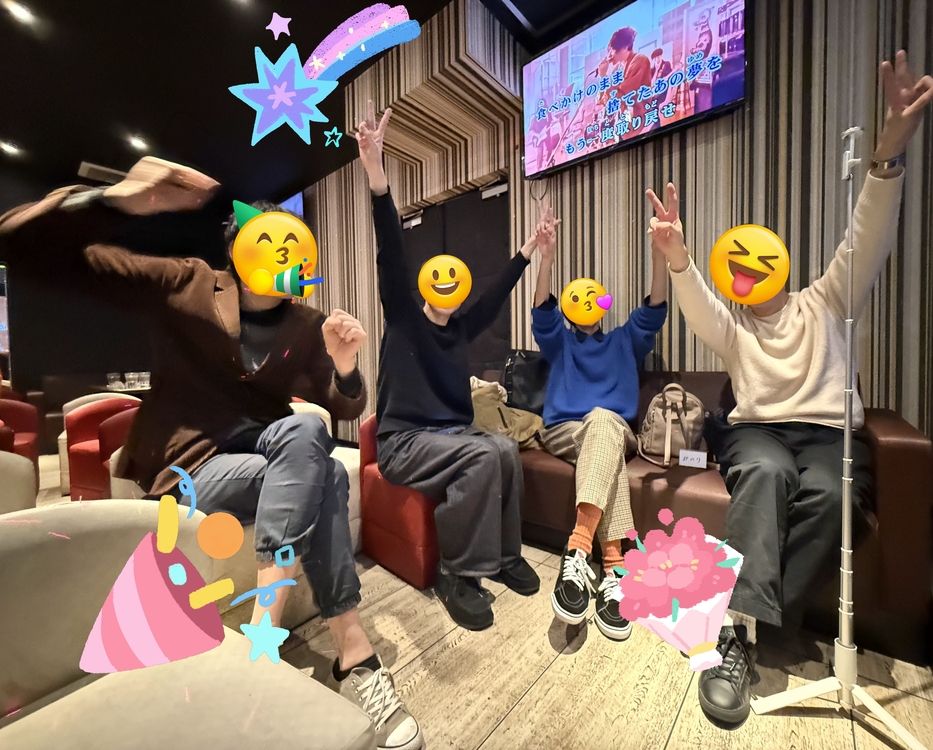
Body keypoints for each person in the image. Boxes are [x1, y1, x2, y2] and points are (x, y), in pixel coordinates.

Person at [0, 159, 424, 750]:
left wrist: (346, 367)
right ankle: (346, 649)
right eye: (269, 242)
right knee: (326, 471)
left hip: (269, 455)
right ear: (237, 250)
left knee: (313, 443)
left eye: (295, 246)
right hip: (191, 465)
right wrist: (120, 200)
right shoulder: (186, 282)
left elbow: (342, 405)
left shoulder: (306, 322)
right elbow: (24, 244)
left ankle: (273, 638)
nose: (285, 255)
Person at [645, 51, 933, 726]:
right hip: (758, 434)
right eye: (737, 264)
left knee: (837, 495)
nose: (750, 270)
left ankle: (746, 613)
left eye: (759, 259)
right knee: (764, 474)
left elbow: (867, 237)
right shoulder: (734, 330)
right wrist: (679, 259)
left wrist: (887, 155)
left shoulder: (828, 299)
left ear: (780, 262)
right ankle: (734, 639)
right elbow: (698, 306)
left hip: (829, 436)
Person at [354, 101, 542, 632]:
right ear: (423, 285)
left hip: (451, 434)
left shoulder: (459, 326)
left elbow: (497, 293)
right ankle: (456, 572)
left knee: (504, 449)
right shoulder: (403, 317)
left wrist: (528, 250)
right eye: (436, 278)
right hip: (404, 442)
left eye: (454, 282)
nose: (446, 286)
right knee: (482, 456)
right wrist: (377, 177)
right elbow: (391, 251)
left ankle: (503, 556)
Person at [531, 207, 668, 641]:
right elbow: (541, 314)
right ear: (571, 309)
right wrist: (547, 259)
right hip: (563, 432)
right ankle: (614, 570)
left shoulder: (625, 339)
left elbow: (654, 310)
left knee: (604, 422)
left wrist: (660, 256)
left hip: (612, 430)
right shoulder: (561, 342)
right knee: (608, 455)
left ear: (604, 305)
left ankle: (577, 550)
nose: (588, 304)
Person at [606, 26, 652, 141]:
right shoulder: (617, 69)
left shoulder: (640, 60)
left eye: (614, 50)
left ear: (626, 47)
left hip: (641, 122)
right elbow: (605, 99)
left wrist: (605, 76)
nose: (611, 54)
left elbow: (624, 91)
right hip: (624, 124)